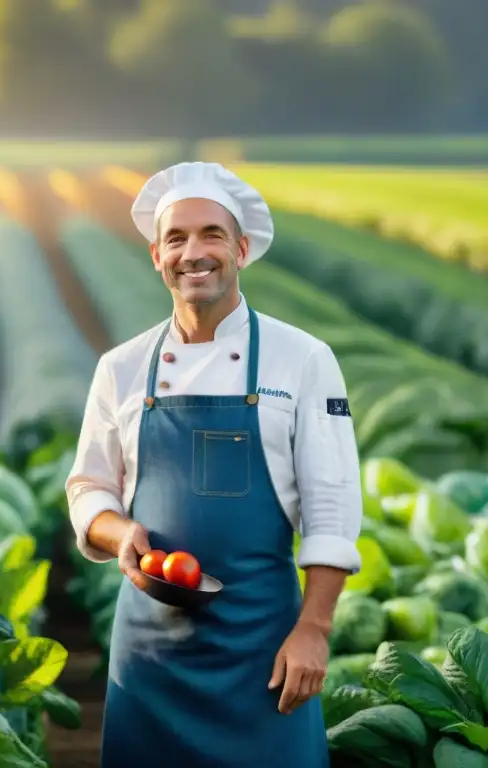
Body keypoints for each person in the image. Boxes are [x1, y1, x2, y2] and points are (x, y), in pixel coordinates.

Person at [66, 161, 363, 768]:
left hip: (264, 647)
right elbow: (89, 487)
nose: (192, 252)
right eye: (176, 238)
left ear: (242, 249)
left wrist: (315, 630)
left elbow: (332, 505)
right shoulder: (121, 368)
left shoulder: (302, 359)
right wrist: (122, 534)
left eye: (211, 235)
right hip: (149, 655)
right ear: (156, 256)